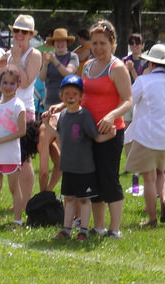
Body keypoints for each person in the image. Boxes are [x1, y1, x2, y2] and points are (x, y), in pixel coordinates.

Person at [123, 44, 165, 226]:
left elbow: (130, 101)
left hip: (147, 135)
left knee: (149, 177)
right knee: (162, 173)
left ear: (151, 63)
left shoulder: (144, 81)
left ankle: (152, 218)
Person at [78, 19, 132, 237]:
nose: (98, 48)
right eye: (94, 43)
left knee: (109, 177)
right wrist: (62, 107)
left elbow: (128, 100)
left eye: (102, 43)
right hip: (89, 131)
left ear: (112, 44)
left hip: (111, 132)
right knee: (93, 179)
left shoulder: (117, 68)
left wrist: (111, 115)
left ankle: (115, 229)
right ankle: (98, 226)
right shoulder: (88, 66)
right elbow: (82, 96)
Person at [53, 74, 113, 239]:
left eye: (74, 94)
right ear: (61, 96)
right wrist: (46, 125)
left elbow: (96, 137)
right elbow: (60, 137)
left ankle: (84, 230)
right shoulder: (63, 115)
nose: (70, 97)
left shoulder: (84, 115)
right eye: (66, 94)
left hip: (84, 168)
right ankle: (66, 229)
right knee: (69, 199)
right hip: (68, 166)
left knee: (84, 200)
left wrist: (110, 135)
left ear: (81, 96)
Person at [38, 27, 80, 191]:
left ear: (67, 43)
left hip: (67, 107)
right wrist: (45, 64)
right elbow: (42, 78)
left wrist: (54, 61)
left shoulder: (73, 57)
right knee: (51, 147)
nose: (60, 44)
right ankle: (47, 191)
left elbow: (68, 74)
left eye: (63, 41)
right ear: (53, 43)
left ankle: (56, 188)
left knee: (66, 148)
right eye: (57, 41)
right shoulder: (49, 58)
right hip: (49, 106)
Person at [0, 66, 28, 226]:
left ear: (18, 85)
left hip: (11, 154)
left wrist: (0, 140)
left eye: (12, 83)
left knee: (13, 188)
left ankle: (18, 220)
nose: (8, 87)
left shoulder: (18, 105)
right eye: (5, 83)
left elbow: (22, 131)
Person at [9, 14, 42, 202]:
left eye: (24, 31)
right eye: (16, 31)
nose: (19, 34)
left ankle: (26, 201)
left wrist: (17, 59)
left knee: (24, 157)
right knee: (11, 158)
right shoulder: (11, 53)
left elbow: (25, 82)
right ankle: (16, 199)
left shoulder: (34, 55)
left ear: (31, 34)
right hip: (7, 110)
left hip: (24, 110)